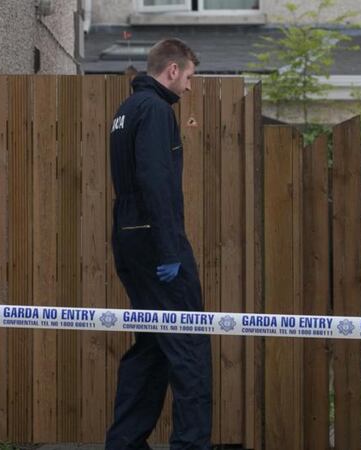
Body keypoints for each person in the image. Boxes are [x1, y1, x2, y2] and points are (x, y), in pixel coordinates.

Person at [105, 38, 211, 449]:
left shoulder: (125, 111)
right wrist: (170, 252)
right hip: (155, 245)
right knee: (189, 345)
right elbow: (156, 181)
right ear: (172, 70)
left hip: (130, 242)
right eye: (189, 77)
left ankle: (125, 442)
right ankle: (191, 444)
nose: (189, 87)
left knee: (151, 345)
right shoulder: (154, 110)